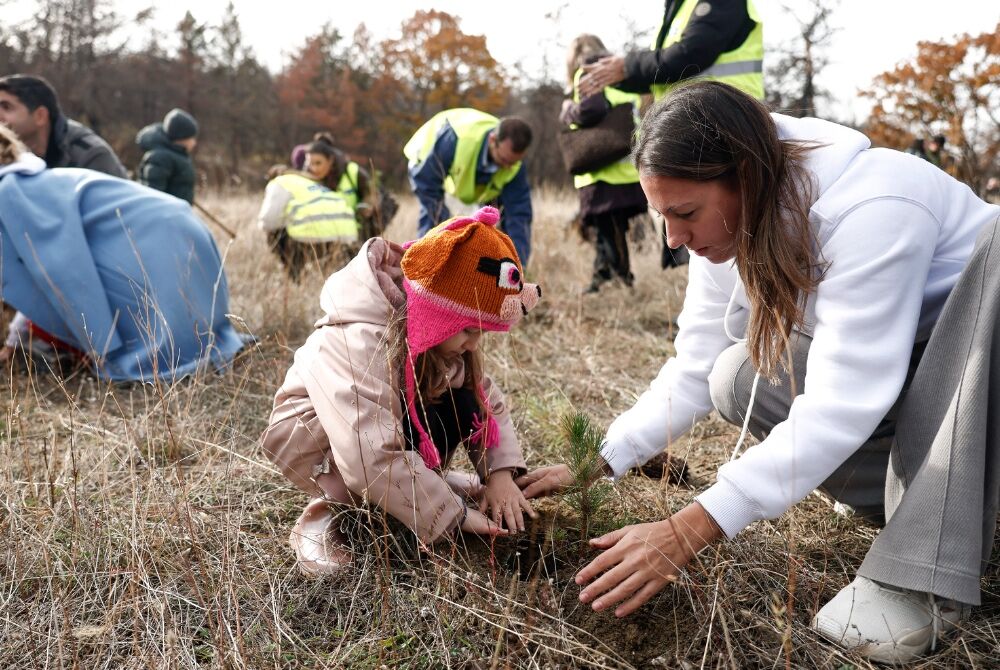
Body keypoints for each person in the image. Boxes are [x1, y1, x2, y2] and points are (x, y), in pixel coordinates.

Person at [516, 81, 1000, 664]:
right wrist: (602, 455)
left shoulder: (875, 206)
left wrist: (691, 526)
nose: (674, 238)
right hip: (912, 374)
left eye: (685, 214)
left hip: (979, 370)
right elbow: (692, 368)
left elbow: (844, 399)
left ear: (744, 176)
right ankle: (902, 498)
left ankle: (923, 573)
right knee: (736, 376)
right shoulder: (736, 224)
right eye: (661, 215)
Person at [260, 206, 541, 576]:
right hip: (323, 442)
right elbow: (366, 451)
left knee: (462, 394)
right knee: (358, 476)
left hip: (379, 434)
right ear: (437, 315)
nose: (474, 344)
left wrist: (500, 474)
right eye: (469, 330)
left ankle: (424, 485)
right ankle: (328, 511)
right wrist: (452, 515)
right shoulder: (357, 340)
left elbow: (485, 401)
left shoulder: (436, 340)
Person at [0, 124, 244, 381]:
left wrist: (101, 346)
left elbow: (53, 272)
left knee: (157, 354)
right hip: (180, 230)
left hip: (157, 241)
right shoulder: (35, 181)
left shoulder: (9, 193)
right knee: (194, 335)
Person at [577, 0, 763, 269]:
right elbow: (665, 69)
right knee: (698, 239)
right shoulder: (679, 7)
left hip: (725, 133)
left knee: (728, 240)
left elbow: (689, 55)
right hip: (688, 131)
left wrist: (627, 67)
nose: (674, 237)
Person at [560, 35, 648, 293]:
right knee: (609, 229)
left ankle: (620, 281)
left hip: (602, 170)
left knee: (607, 230)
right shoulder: (619, 71)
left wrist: (567, 109)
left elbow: (591, 110)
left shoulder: (587, 70)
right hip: (624, 167)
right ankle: (602, 279)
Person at [404, 109, 534, 265]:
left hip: (477, 179)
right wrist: (448, 234)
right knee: (435, 216)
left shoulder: (513, 164)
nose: (508, 167)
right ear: (493, 140)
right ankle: (424, 267)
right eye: (504, 159)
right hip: (425, 159)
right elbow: (427, 182)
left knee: (495, 225)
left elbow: (519, 215)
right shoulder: (455, 140)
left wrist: (518, 266)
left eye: (512, 163)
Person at [0, 74, 126, 177]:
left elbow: (118, 206)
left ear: (40, 116)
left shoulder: (90, 155)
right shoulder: (4, 151)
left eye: (6, 107)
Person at [257, 160, 359, 282]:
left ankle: (294, 277)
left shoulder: (279, 182)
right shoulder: (311, 182)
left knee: (274, 233)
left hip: (313, 239)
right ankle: (327, 276)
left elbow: (268, 221)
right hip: (348, 236)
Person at [136, 108, 199, 203]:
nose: (194, 143)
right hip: (166, 215)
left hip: (177, 213)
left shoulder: (178, 155)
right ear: (181, 137)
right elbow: (153, 193)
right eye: (191, 138)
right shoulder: (160, 158)